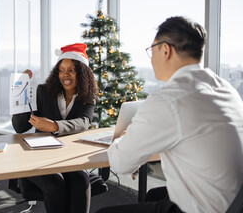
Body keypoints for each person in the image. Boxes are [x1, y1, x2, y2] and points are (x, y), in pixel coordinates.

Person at [97, 16, 243, 213]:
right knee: (153, 196)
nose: (151, 59)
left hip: (205, 208)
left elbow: (120, 164)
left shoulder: (169, 99)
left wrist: (120, 141)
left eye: (152, 50)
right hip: (232, 201)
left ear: (165, 50)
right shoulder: (225, 88)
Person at [12, 43, 98, 213]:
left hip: (68, 159)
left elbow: (84, 121)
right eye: (61, 69)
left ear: (82, 73)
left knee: (81, 179)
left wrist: (54, 126)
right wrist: (20, 90)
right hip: (40, 158)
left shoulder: (88, 96)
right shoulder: (43, 91)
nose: (64, 74)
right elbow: (19, 127)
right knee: (55, 184)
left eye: (71, 70)